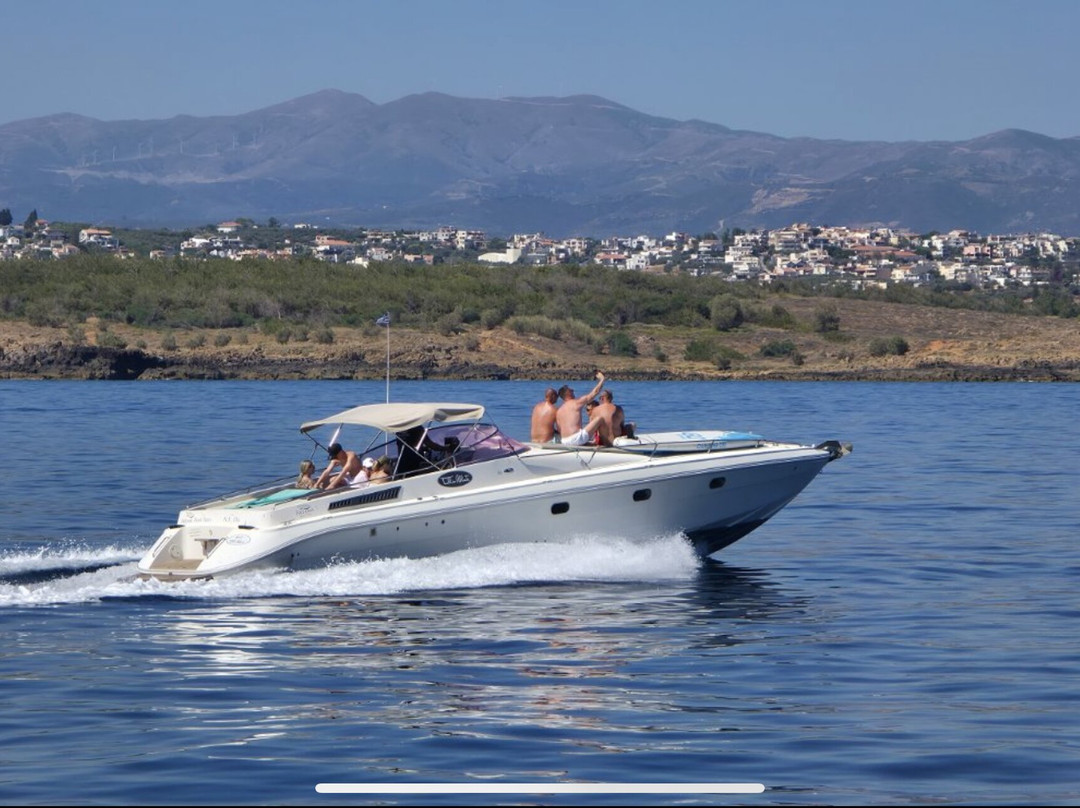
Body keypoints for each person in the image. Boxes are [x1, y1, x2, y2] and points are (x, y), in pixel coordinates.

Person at [555, 370, 605, 446]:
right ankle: (604, 441)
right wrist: (602, 380)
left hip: (564, 440)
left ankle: (586, 442)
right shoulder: (576, 403)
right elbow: (594, 393)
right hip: (576, 439)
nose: (573, 390)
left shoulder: (559, 411)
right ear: (567, 393)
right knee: (600, 418)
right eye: (571, 390)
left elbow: (559, 430)